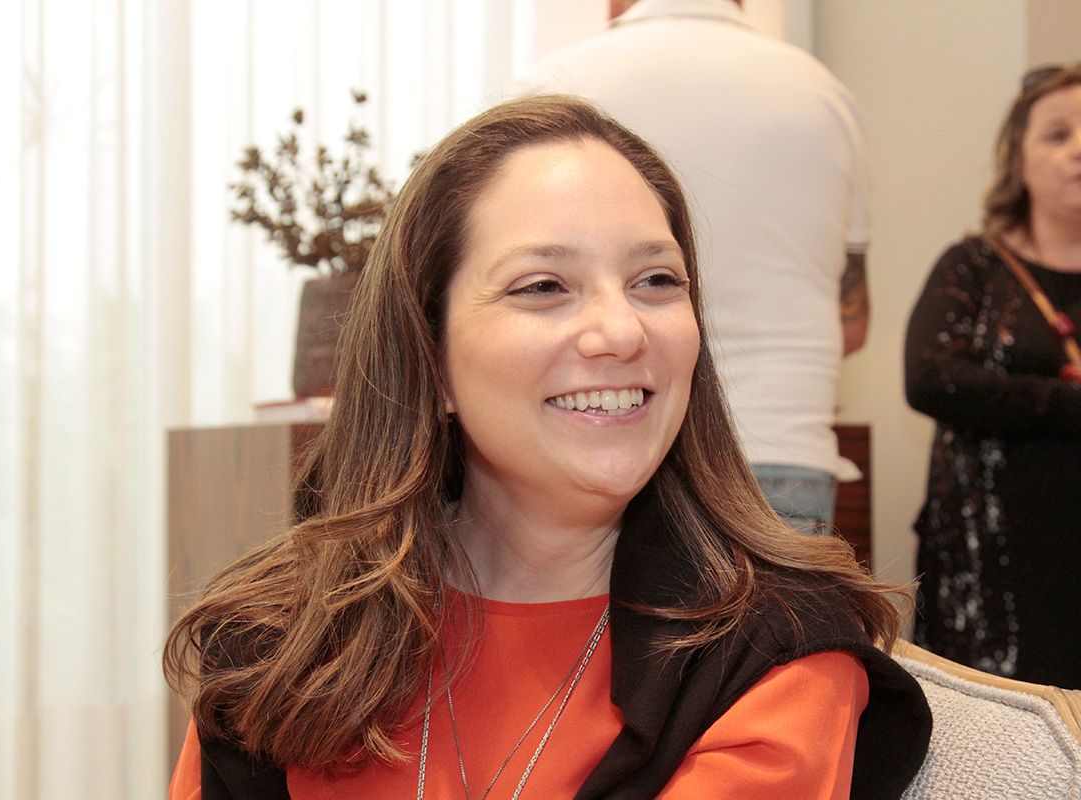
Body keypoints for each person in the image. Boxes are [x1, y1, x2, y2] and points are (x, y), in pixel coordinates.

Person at [165, 95, 929, 799]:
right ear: (431, 359)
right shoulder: (276, 643)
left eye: (657, 281)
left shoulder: (778, 655)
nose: (622, 331)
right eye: (543, 287)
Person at [515, 0, 872, 533]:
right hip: (784, 442)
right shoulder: (823, 96)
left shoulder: (550, 91)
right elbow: (853, 324)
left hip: (599, 435)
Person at [905, 63, 1081, 687]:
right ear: (1019, 160)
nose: (1079, 149)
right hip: (989, 568)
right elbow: (931, 377)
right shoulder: (974, 266)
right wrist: (1067, 405)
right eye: (1057, 134)